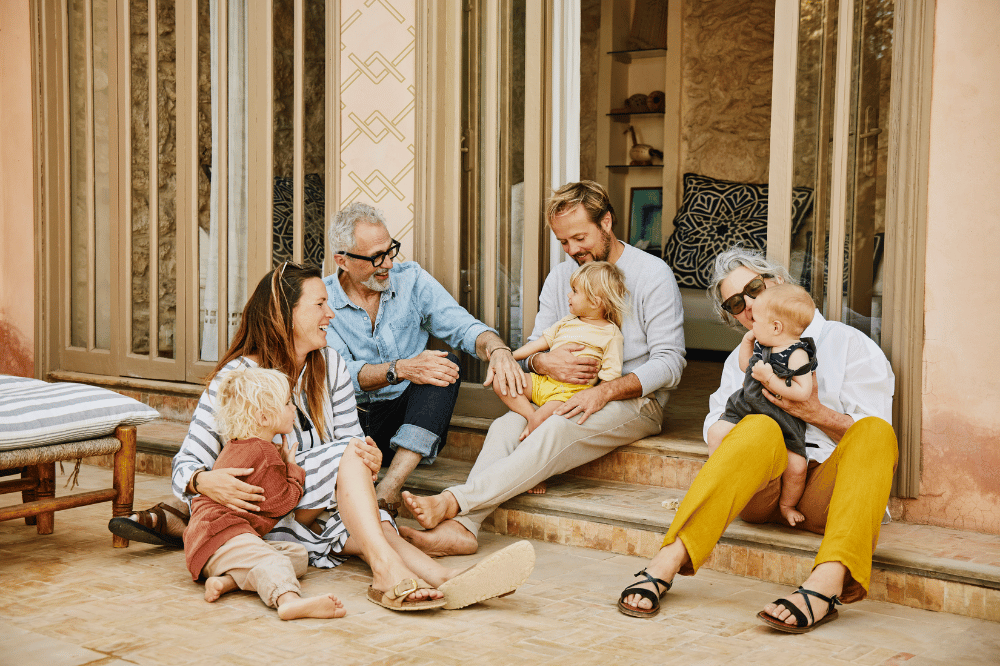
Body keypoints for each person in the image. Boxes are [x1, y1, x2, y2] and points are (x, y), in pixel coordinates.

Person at [109, 263, 535, 611]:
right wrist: (205, 481)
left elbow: (351, 445)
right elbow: (184, 466)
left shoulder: (329, 364)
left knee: (368, 517)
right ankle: (388, 575)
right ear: (284, 314)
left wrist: (368, 458)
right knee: (352, 480)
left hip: (309, 509)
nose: (330, 314)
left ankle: (442, 577)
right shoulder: (238, 379)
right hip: (259, 515)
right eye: (319, 304)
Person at [616, 245, 896, 634]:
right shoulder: (744, 357)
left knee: (878, 431)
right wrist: (756, 439)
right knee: (756, 425)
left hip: (824, 494)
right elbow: (716, 424)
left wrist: (812, 412)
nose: (747, 303)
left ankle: (825, 585)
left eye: (753, 288)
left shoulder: (850, 344)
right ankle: (666, 561)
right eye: (734, 302)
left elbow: (872, 444)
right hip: (761, 489)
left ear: (778, 281)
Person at [400, 180, 686, 556]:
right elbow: (538, 344)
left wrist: (603, 391)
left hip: (634, 400)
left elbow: (671, 362)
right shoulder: (560, 277)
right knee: (505, 425)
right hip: (560, 392)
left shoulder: (651, 273)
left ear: (607, 223)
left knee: (558, 426)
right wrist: (541, 360)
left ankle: (454, 503)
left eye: (580, 238)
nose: (573, 251)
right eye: (563, 242)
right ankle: (464, 530)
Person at [324, 202, 522, 518]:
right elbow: (335, 374)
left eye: (391, 251)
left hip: (404, 420)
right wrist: (400, 368)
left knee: (447, 365)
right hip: (351, 422)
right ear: (342, 260)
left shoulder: (411, 280)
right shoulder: (323, 300)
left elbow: (462, 325)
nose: (388, 263)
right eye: (377, 257)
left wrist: (498, 349)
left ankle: (390, 488)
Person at [185, 366, 347, 620]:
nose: (294, 408)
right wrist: (292, 469)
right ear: (264, 418)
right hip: (223, 535)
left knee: (297, 555)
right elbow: (284, 502)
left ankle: (226, 581)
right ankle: (288, 601)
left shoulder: (238, 446)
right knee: (276, 562)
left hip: (209, 541)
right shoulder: (264, 453)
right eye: (287, 403)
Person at [713, 283, 818, 527]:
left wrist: (770, 378)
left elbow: (803, 392)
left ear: (776, 327)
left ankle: (786, 504)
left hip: (782, 418)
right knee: (716, 432)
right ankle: (718, 479)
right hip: (747, 407)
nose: (752, 325)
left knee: (797, 466)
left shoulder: (797, 353)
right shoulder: (762, 343)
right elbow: (744, 366)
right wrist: (747, 342)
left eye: (756, 321)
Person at [494, 261, 627, 449]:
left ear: (595, 302)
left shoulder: (611, 334)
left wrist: (593, 398)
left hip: (568, 393)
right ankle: (531, 415)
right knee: (501, 381)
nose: (568, 295)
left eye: (575, 291)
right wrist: (508, 357)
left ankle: (536, 421)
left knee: (542, 420)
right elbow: (538, 344)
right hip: (544, 382)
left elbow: (610, 377)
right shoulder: (566, 321)